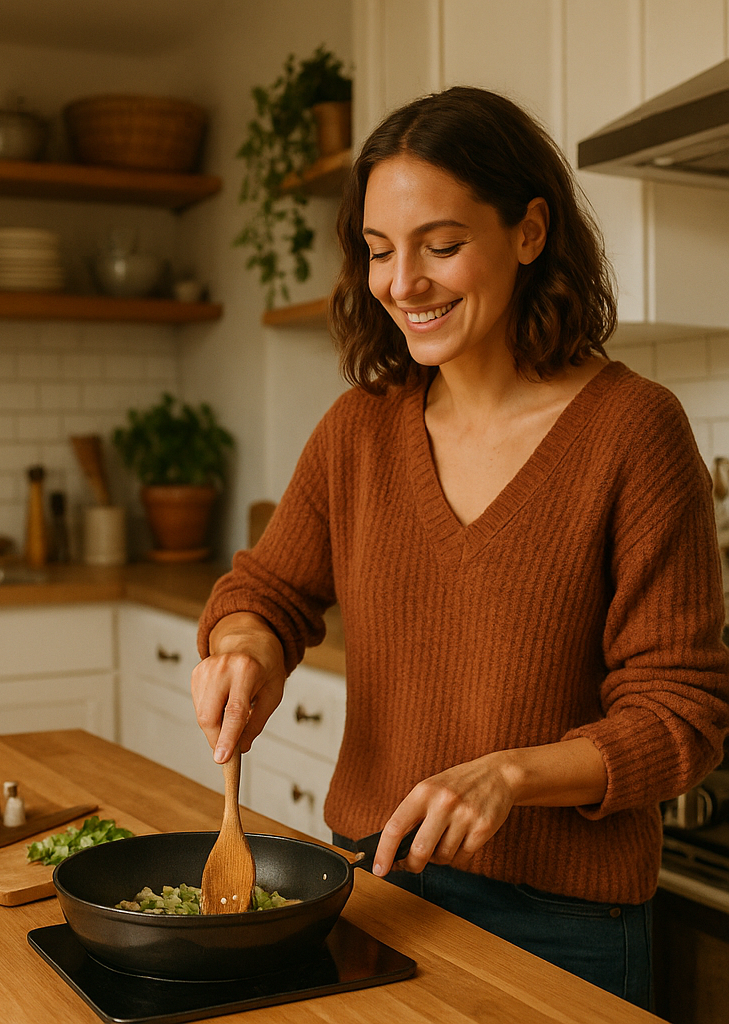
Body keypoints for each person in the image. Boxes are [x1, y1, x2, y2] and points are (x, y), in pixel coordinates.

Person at [190, 85, 729, 1007]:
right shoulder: (359, 432)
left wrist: (510, 777)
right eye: (379, 251)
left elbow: (680, 712)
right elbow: (269, 591)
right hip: (375, 883)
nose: (404, 282)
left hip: (568, 922)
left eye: (442, 245)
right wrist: (244, 649)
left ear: (529, 232)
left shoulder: (636, 430)